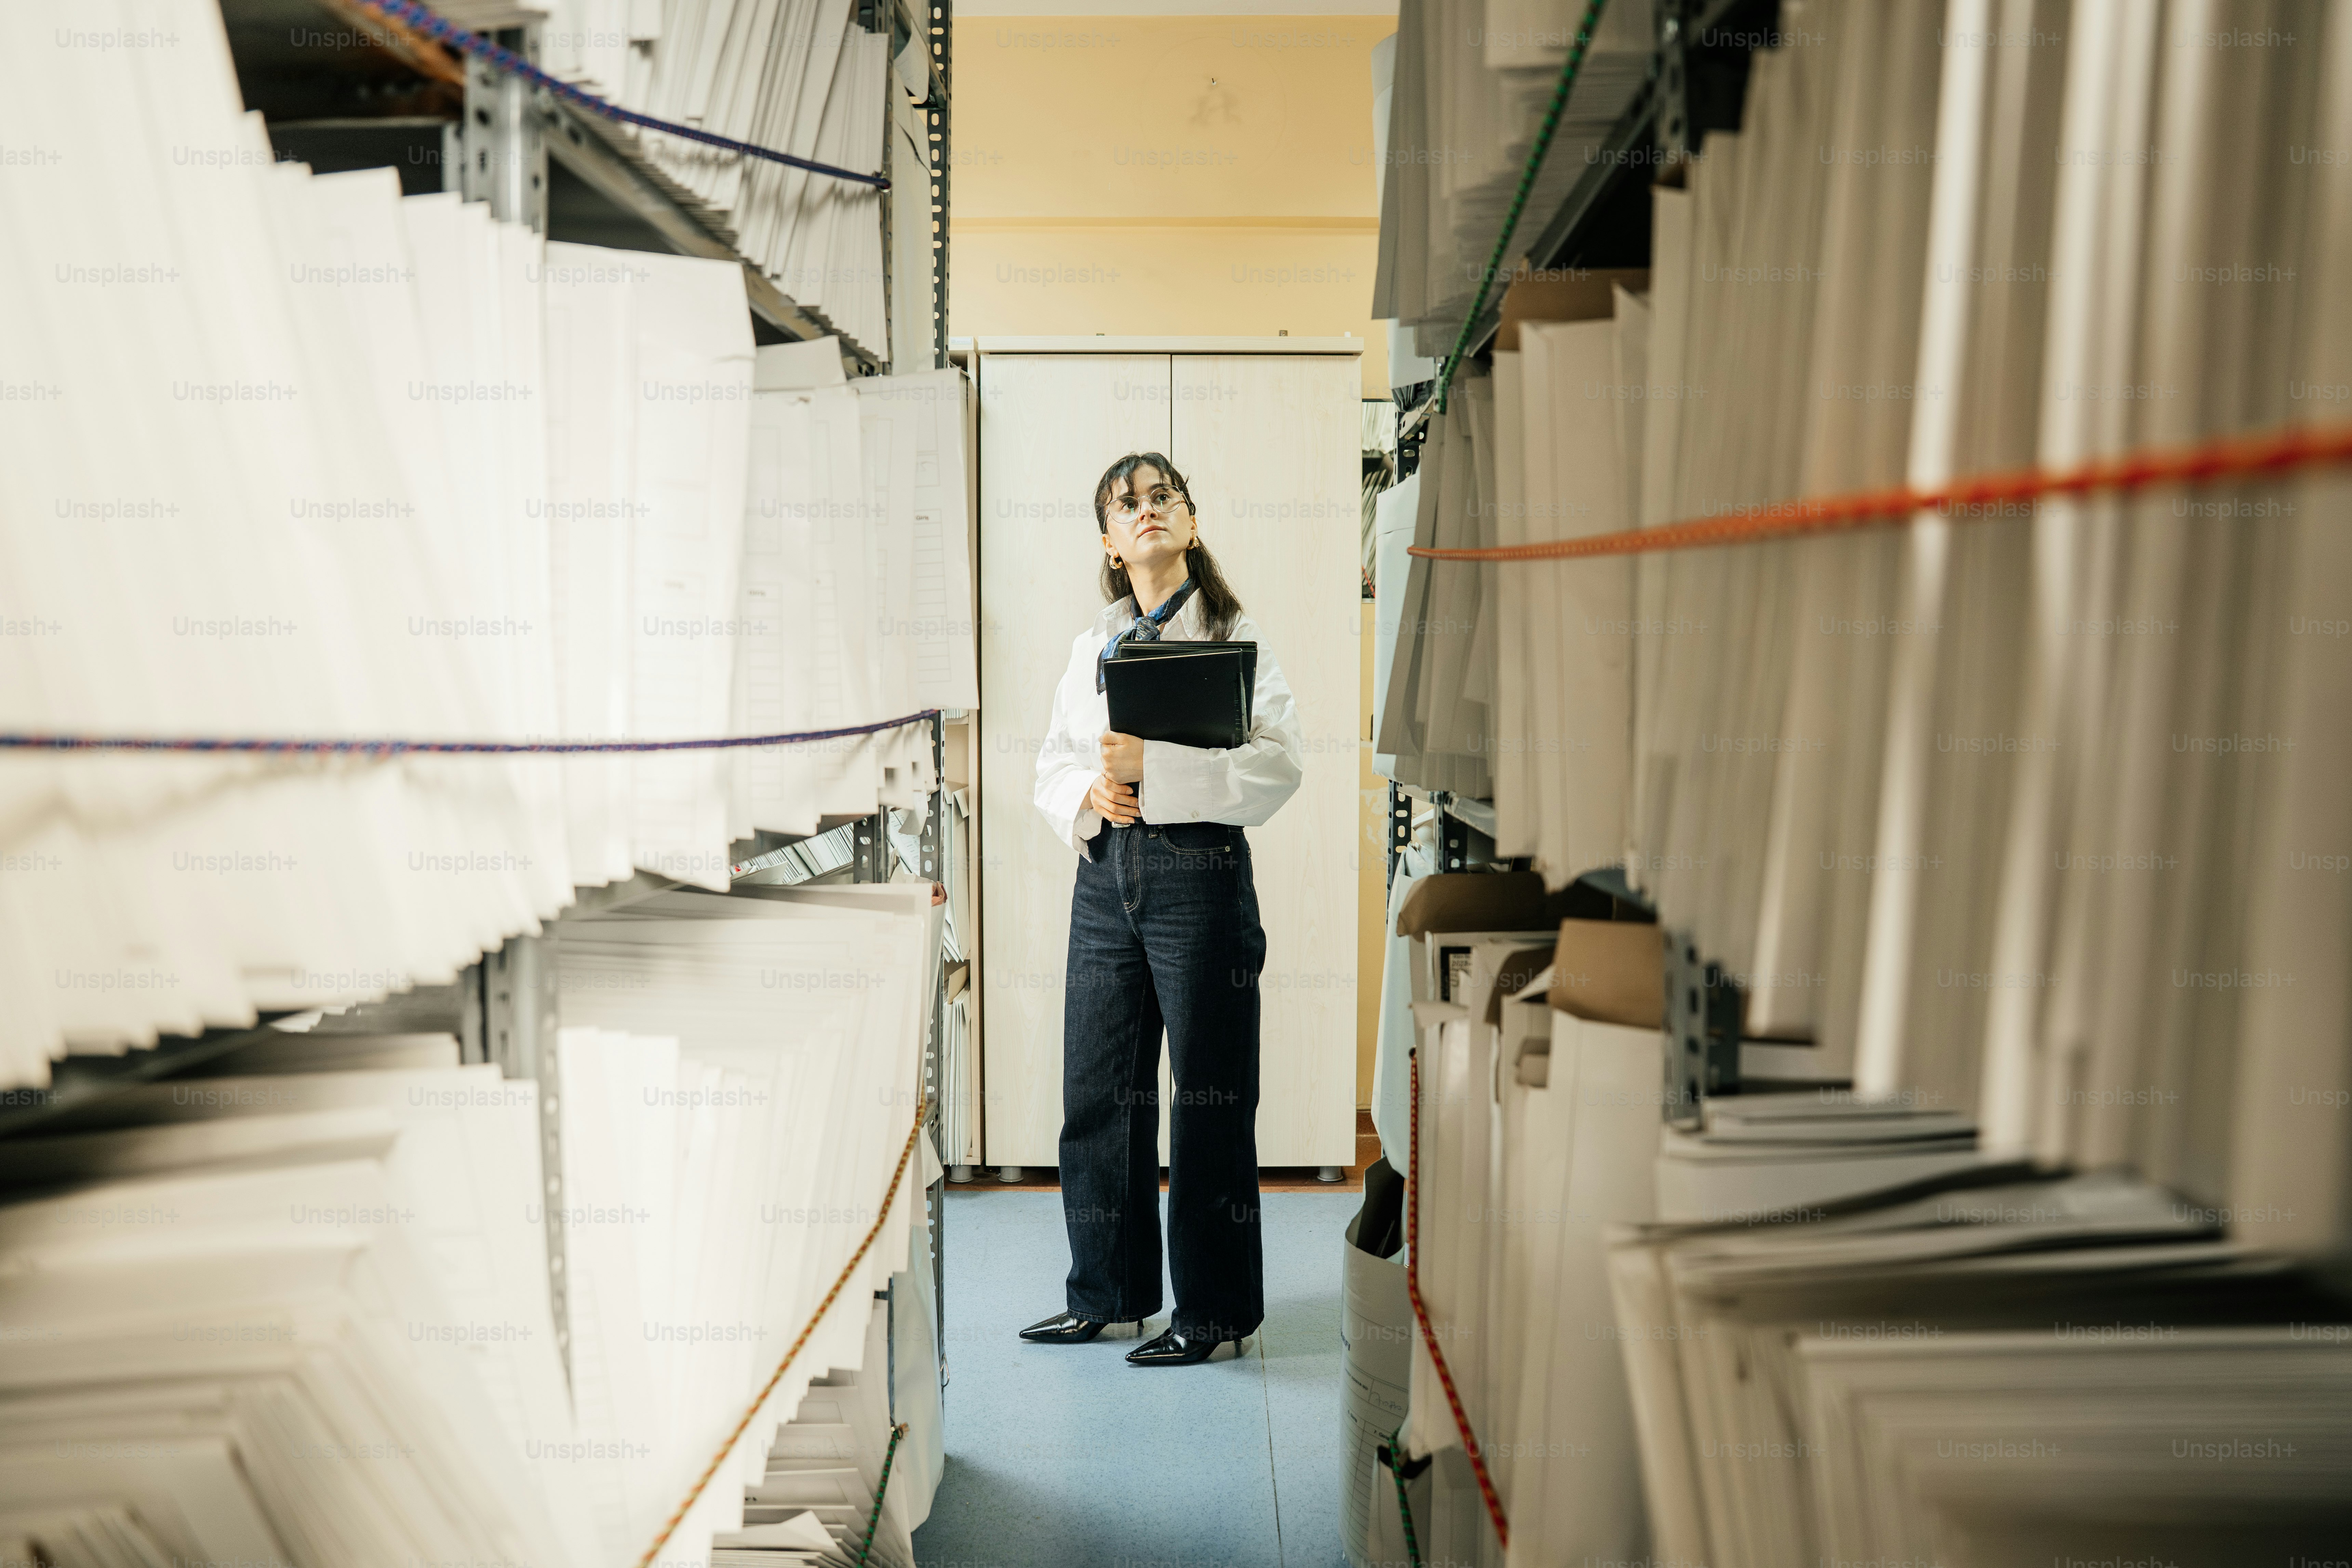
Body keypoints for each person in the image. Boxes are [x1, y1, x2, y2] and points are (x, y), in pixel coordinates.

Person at [1024, 452, 1306, 1366]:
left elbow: (1277, 765)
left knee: (1211, 1098)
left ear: (1190, 521)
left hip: (1200, 877)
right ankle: (1107, 1294)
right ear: (1109, 542)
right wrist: (1089, 796)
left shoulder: (1232, 631)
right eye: (1126, 505)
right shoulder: (1091, 649)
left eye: (1162, 497)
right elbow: (1055, 761)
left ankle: (1215, 1313)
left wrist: (1160, 773)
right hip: (1106, 876)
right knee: (1099, 1089)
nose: (1146, 512)